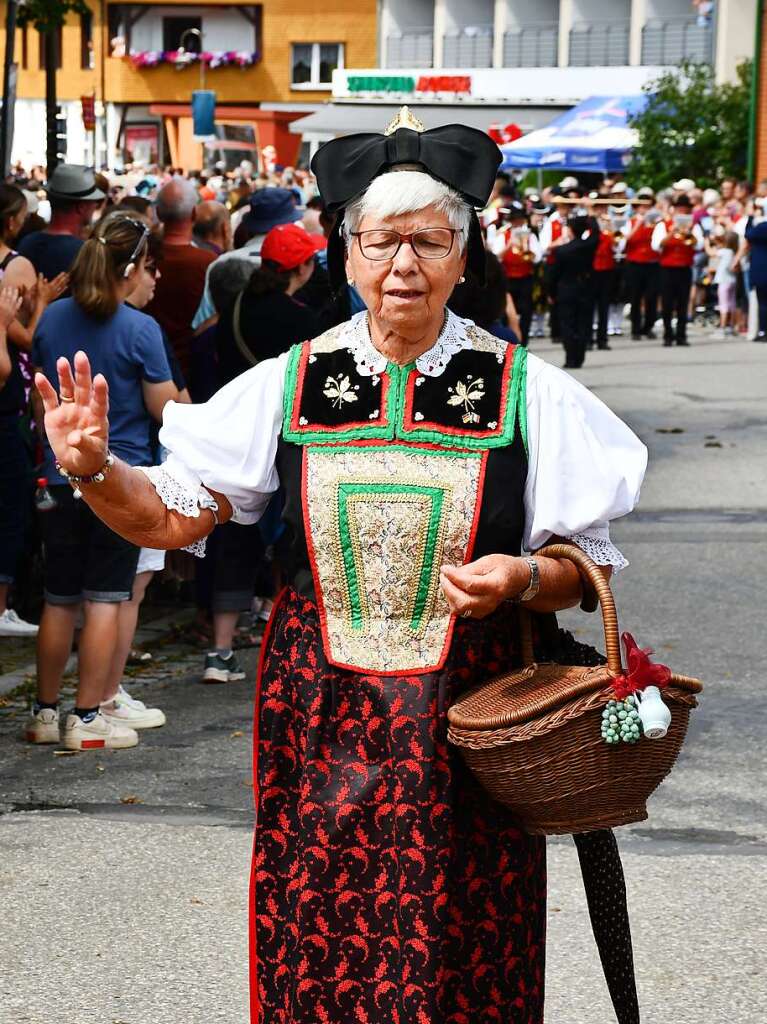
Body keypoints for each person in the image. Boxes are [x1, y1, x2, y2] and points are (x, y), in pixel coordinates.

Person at [35, 109, 647, 1023]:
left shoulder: (528, 388)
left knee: (467, 939)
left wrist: (523, 580)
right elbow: (168, 516)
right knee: (316, 926)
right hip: (319, 717)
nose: (404, 265)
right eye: (381, 241)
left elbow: (582, 560)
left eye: (428, 242)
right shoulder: (289, 381)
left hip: (470, 719)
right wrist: (93, 467)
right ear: (348, 254)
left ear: (462, 254)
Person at [27, 211, 175, 750]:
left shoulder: (51, 318)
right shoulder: (141, 328)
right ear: (132, 267)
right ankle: (88, 719)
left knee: (58, 600)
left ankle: (45, 713)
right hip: (115, 478)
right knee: (107, 599)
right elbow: (165, 409)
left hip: (55, 475)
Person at [144, 177, 215, 376]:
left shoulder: (143, 259)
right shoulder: (208, 262)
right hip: (194, 367)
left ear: (158, 212)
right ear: (194, 213)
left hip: (145, 363)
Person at [18, 164, 106, 279]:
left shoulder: (26, 244)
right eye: (94, 201)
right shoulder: (86, 255)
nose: (96, 205)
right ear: (81, 207)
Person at [652, 194, 704, 346]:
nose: (682, 211)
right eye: (680, 209)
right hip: (667, 269)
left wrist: (689, 233)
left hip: (684, 268)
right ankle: (668, 335)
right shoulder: (663, 225)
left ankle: (681, 335)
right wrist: (671, 232)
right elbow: (656, 246)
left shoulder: (694, 226)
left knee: (683, 302)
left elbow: (699, 245)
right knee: (667, 302)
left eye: (685, 209)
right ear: (674, 210)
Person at [550, 212, 599, 369]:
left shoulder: (562, 250)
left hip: (566, 289)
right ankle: (579, 356)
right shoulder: (589, 245)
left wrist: (551, 292)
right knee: (583, 323)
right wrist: (591, 218)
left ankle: (570, 357)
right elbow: (596, 233)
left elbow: (554, 274)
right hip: (585, 288)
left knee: (567, 324)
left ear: (570, 230)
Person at [496, 200, 541, 344]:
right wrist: (509, 245)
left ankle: (524, 342)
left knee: (526, 312)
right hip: (507, 278)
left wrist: (526, 246)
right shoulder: (503, 235)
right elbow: (496, 256)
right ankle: (508, 343)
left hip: (525, 278)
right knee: (505, 313)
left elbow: (537, 257)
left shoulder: (530, 236)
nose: (518, 224)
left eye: (520, 221)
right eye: (515, 221)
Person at [623, 187, 660, 339]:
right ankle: (635, 329)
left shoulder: (657, 223)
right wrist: (639, 224)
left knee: (652, 296)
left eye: (648, 206)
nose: (646, 209)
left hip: (652, 263)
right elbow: (626, 240)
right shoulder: (630, 222)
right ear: (637, 208)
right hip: (635, 263)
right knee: (635, 297)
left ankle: (648, 326)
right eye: (643, 206)